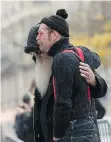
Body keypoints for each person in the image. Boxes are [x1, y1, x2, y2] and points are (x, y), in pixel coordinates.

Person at [24, 17, 107, 141]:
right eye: (34, 55)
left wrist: (94, 80)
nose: (38, 58)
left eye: (40, 52)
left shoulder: (69, 60)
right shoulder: (40, 84)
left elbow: (100, 94)